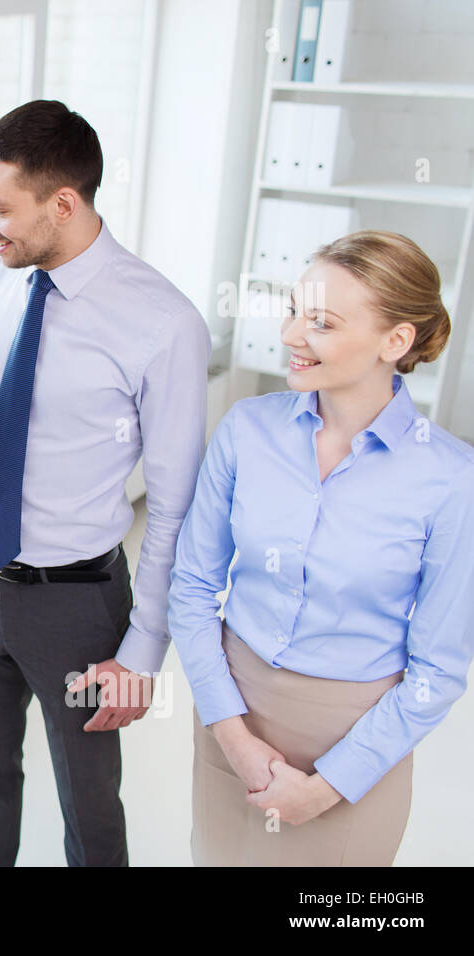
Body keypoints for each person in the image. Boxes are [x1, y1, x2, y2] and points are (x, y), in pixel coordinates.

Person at [0, 100, 211, 866]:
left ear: (63, 203)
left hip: (77, 608)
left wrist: (145, 650)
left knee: (89, 803)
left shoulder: (163, 323)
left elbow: (178, 505)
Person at [169, 230, 474, 866]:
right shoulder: (246, 429)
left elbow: (439, 670)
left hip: (359, 743)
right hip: (234, 718)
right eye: (293, 311)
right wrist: (234, 737)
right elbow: (194, 588)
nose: (291, 336)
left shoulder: (450, 479)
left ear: (397, 341)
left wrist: (328, 787)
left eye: (323, 322)